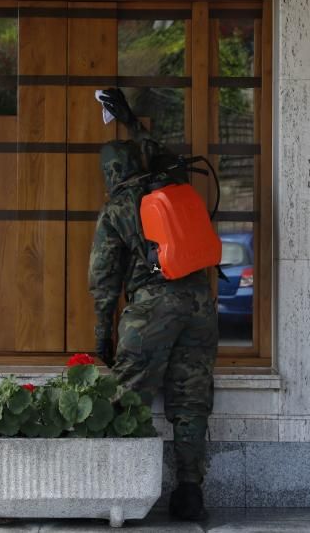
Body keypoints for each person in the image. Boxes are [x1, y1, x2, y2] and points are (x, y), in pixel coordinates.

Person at [87, 89, 218, 522]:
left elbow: (104, 279)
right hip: (200, 304)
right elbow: (156, 149)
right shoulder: (171, 184)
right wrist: (130, 122)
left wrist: (102, 336)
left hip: (153, 310)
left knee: (127, 398)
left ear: (109, 173)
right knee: (190, 400)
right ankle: (189, 493)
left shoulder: (117, 208)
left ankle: (120, 494)